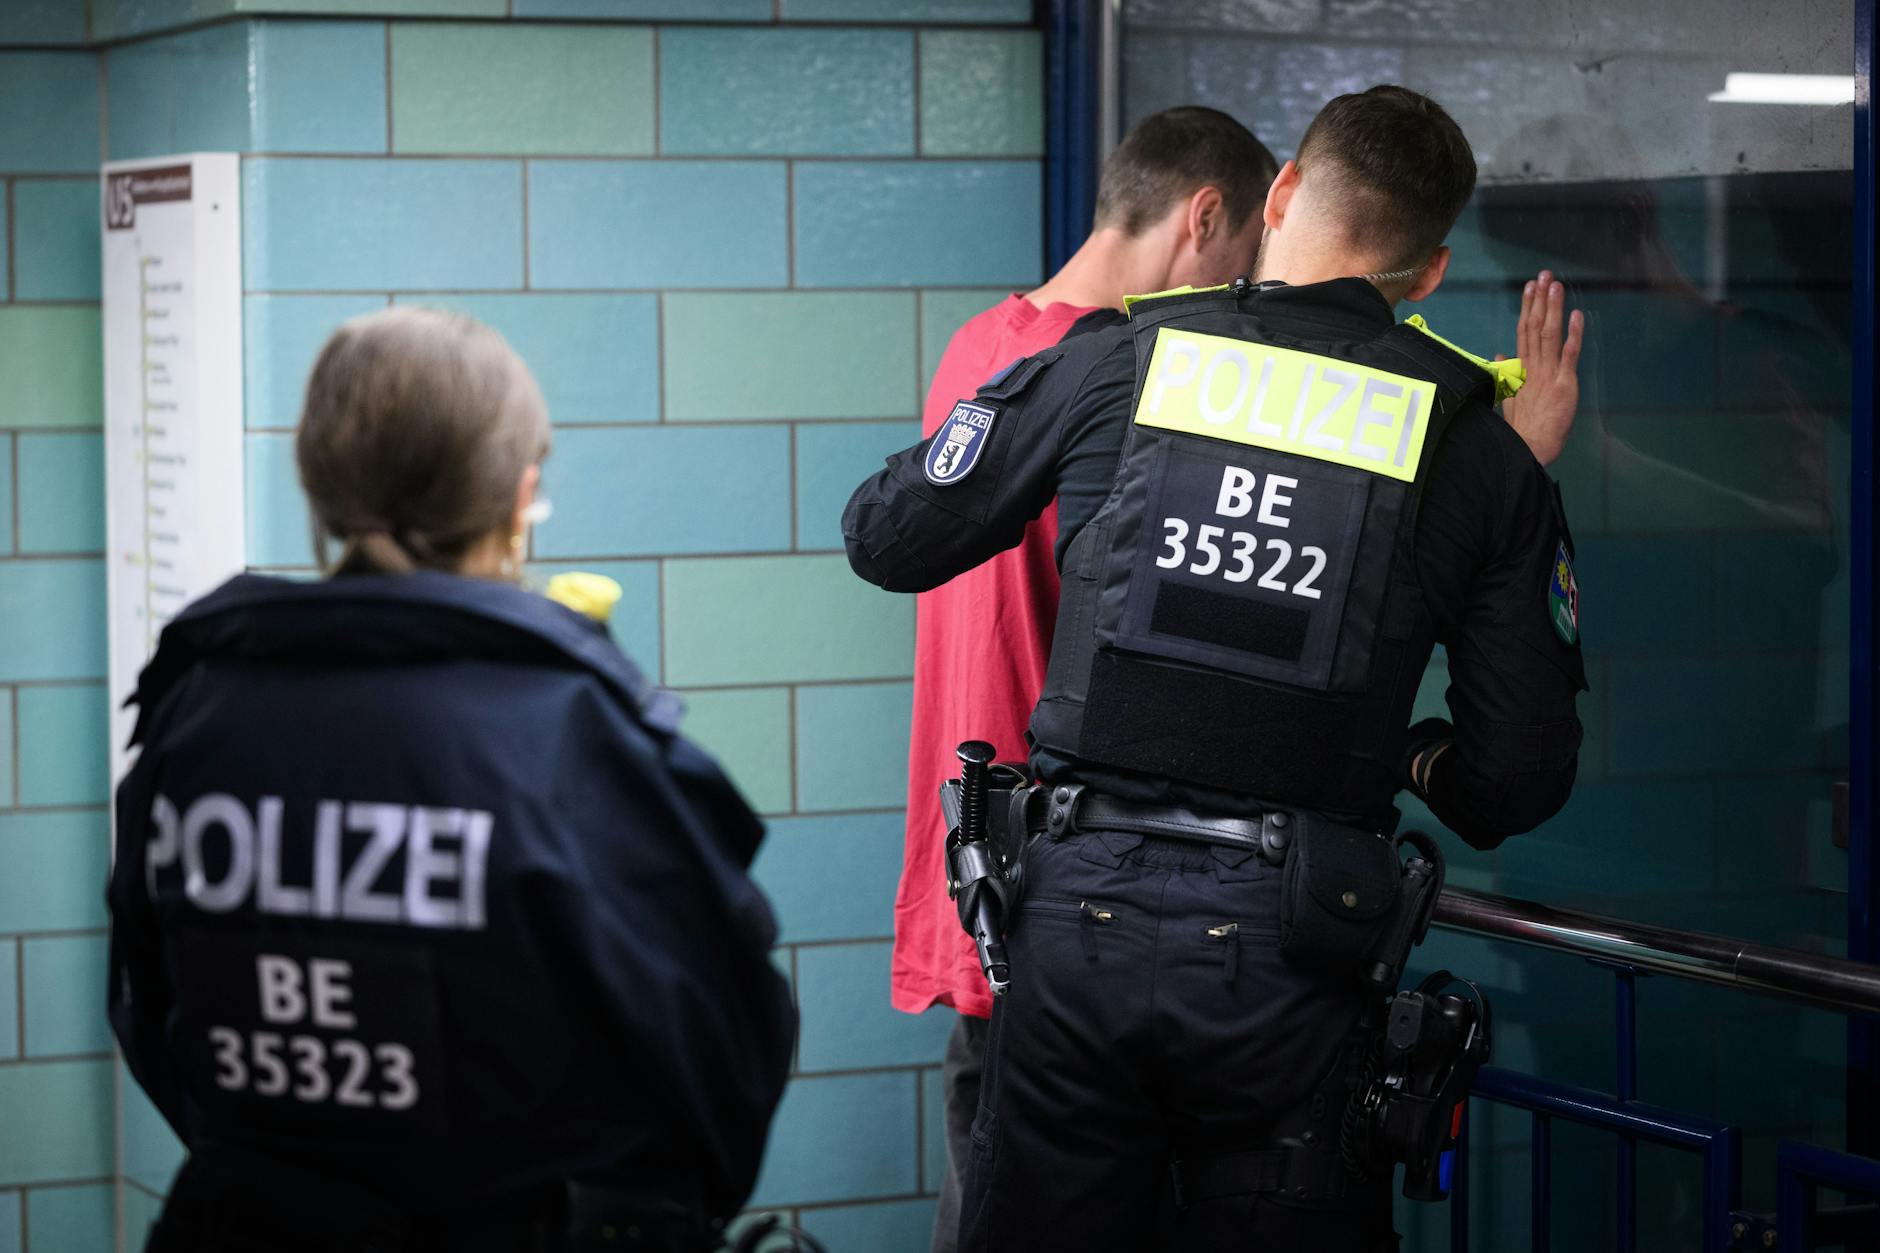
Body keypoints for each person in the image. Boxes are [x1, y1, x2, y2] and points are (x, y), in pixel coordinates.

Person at [845, 85, 1586, 1251]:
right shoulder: (1470, 447)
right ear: (1430, 271)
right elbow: (1515, 777)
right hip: (1295, 955)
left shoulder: (1126, 356)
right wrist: (1402, 742)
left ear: (1282, 191)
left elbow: (886, 535)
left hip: (1077, 928)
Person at [107, 308, 796, 1253]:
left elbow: (150, 1001)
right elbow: (724, 1045)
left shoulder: (196, 706)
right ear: (519, 498)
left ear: (318, 489)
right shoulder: (563, 732)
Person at [902, 105, 1279, 1253]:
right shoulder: (1128, 386)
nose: (1246, 290)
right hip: (1075, 893)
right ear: (1202, 217)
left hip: (975, 865)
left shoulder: (984, 347)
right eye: (1248, 257)